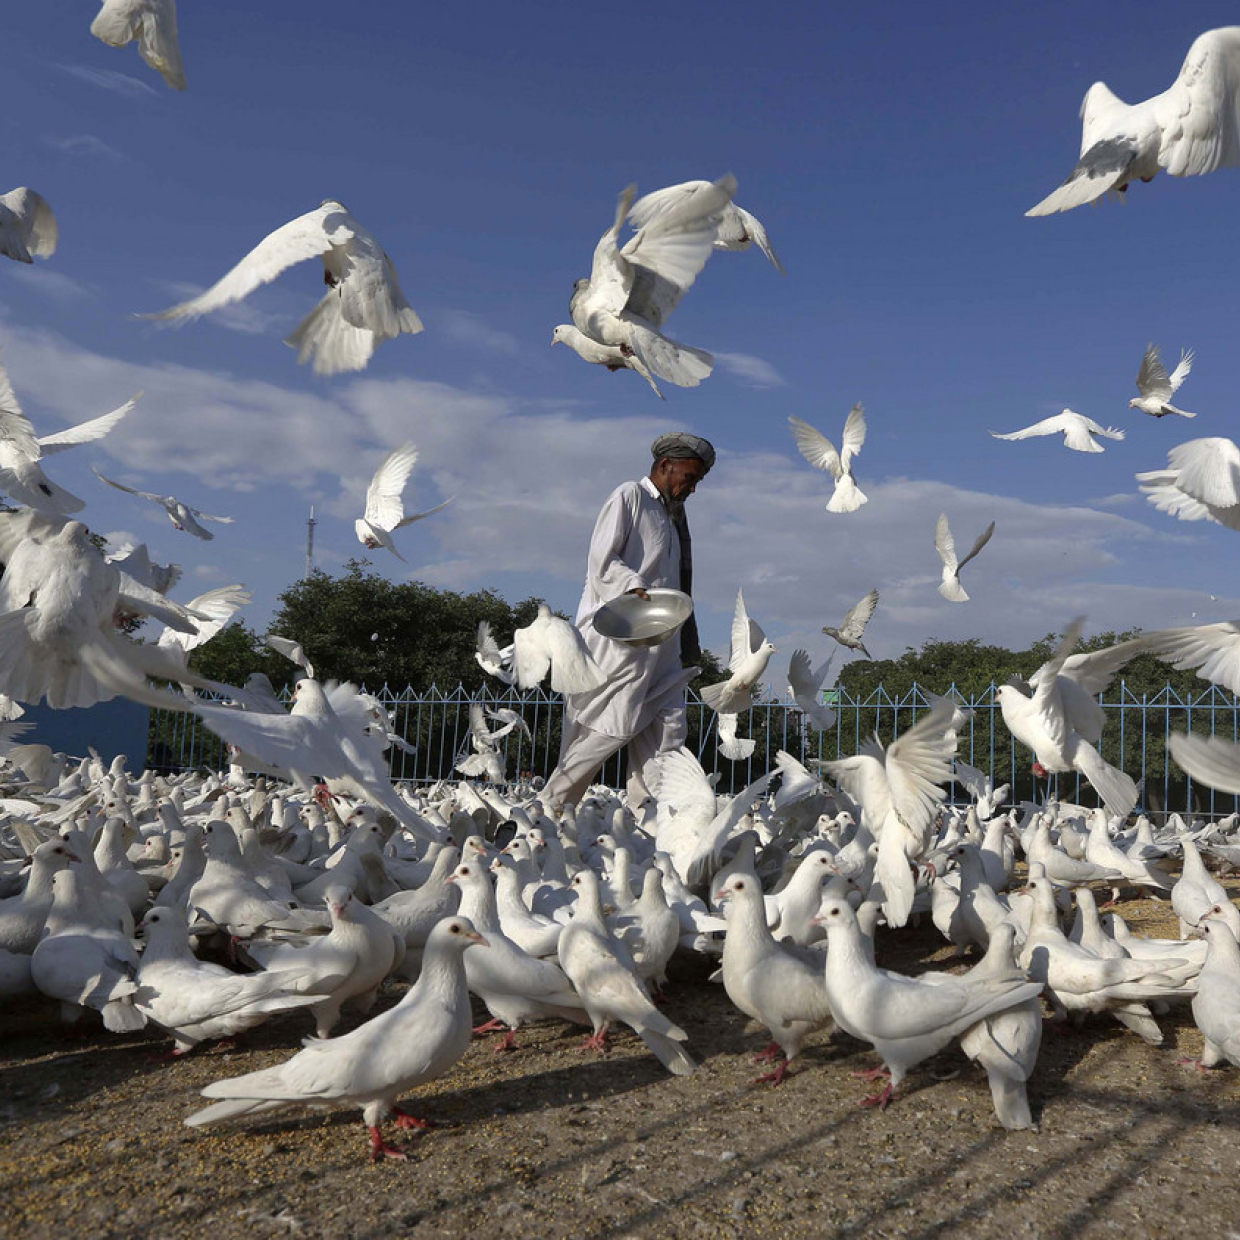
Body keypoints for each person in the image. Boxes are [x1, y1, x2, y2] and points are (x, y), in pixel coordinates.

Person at [542, 431, 715, 810]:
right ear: (666, 466)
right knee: (613, 726)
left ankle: (654, 820)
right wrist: (634, 586)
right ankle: (549, 807)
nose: (692, 489)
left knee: (668, 728)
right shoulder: (629, 497)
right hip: (621, 635)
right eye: (689, 478)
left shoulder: (672, 518)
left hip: (664, 639)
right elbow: (602, 560)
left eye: (698, 481)